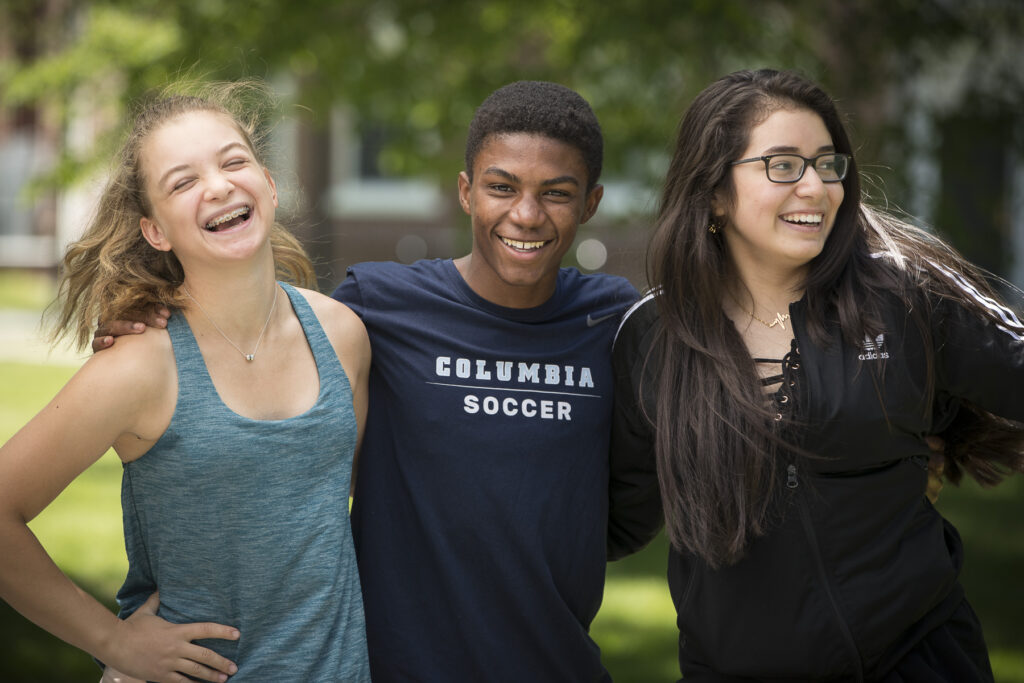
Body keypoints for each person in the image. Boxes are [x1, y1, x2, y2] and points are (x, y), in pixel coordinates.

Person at [94, 80, 639, 680]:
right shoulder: (376, 306)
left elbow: (638, 491)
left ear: (591, 203)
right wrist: (153, 312)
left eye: (556, 194)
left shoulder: (616, 324)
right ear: (465, 191)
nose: (526, 214)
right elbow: (272, 339)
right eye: (502, 187)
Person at [609, 68, 1024, 681]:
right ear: (715, 192)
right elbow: (614, 515)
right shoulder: (654, 337)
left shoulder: (903, 296)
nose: (815, 186)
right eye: (782, 165)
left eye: (828, 164)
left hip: (920, 659)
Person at [0, 82, 372, 682]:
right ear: (156, 231)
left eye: (233, 161)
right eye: (183, 181)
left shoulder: (343, 336)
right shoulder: (140, 365)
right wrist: (114, 644)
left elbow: (357, 512)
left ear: (270, 186)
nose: (219, 186)